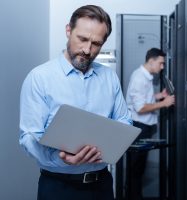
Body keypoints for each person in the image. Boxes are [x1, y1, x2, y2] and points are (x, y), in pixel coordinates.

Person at [19, 5, 131, 200]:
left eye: (96, 43)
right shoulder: (39, 77)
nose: (87, 50)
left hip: (102, 186)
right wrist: (62, 160)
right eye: (83, 39)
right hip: (58, 187)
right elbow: (29, 137)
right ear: (68, 30)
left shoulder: (110, 78)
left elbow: (124, 122)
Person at [125, 48, 175, 200]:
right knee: (136, 169)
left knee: (138, 169)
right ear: (151, 61)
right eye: (160, 63)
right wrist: (165, 103)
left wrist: (159, 96)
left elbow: (142, 98)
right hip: (138, 127)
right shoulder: (139, 78)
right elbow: (140, 108)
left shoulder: (144, 77)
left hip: (142, 127)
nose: (162, 67)